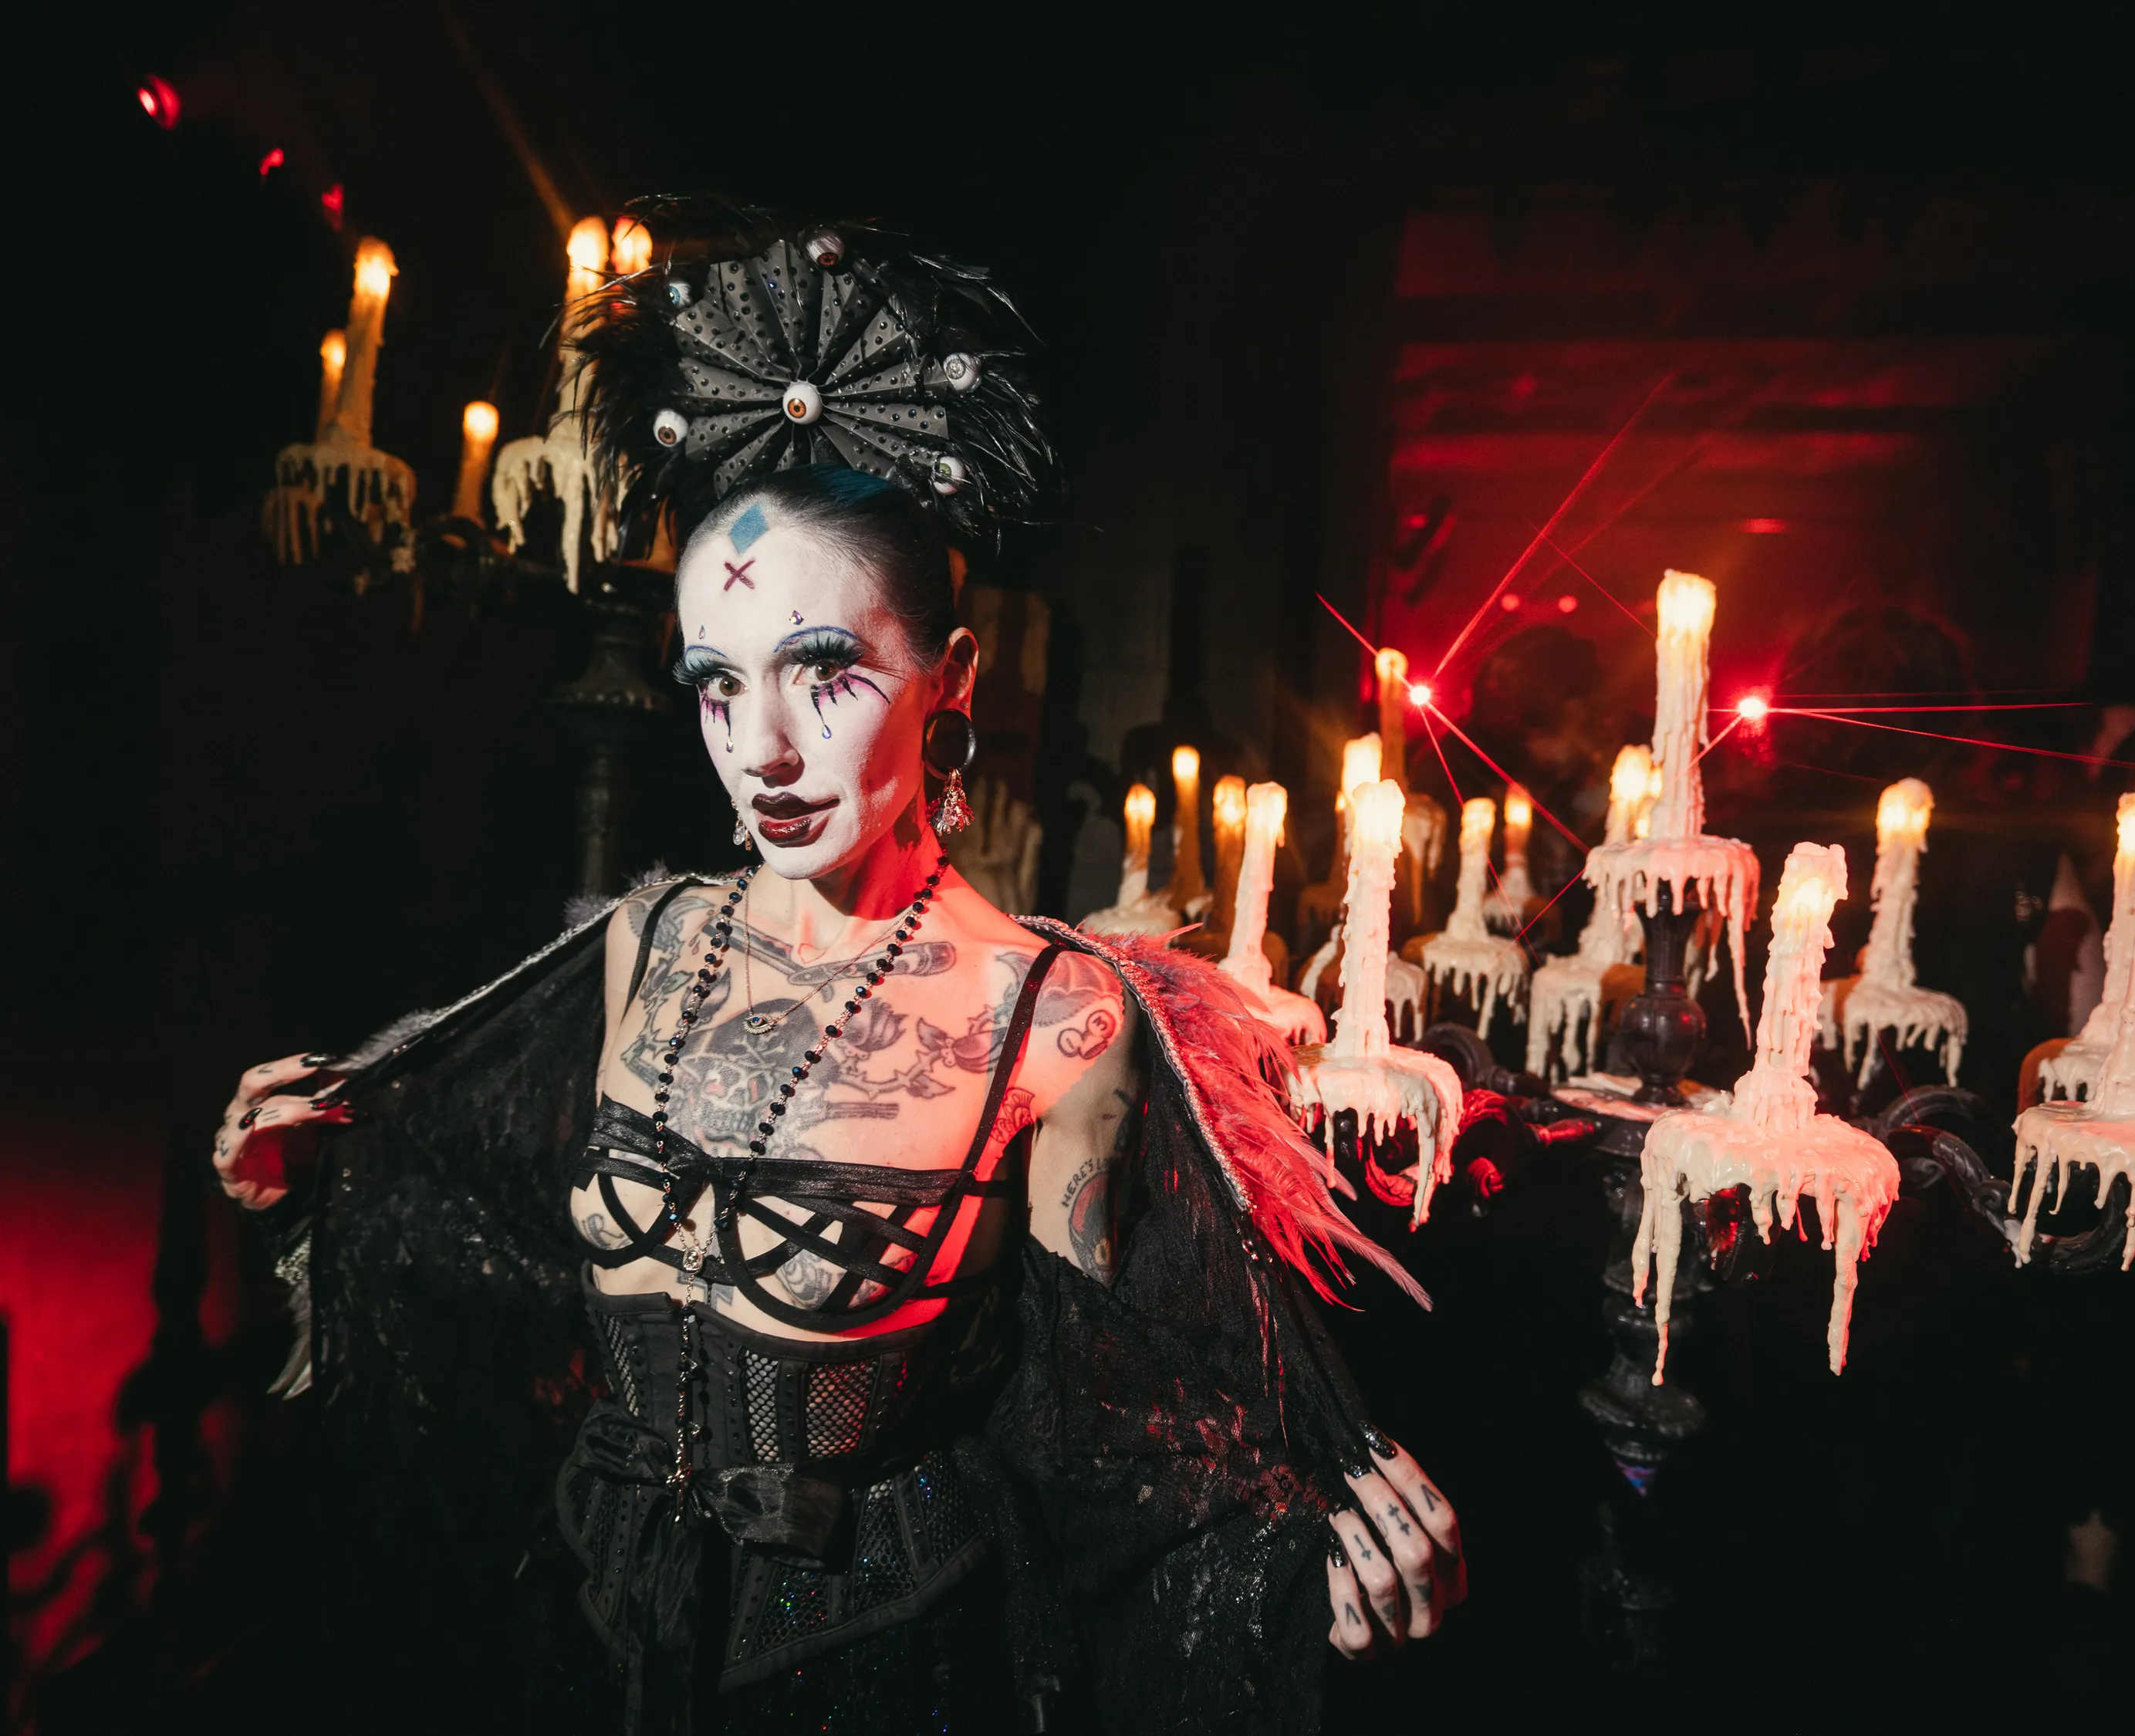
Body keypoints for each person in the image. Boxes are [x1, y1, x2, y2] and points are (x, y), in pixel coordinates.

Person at [213, 210, 1462, 1734]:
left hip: (864, 1666)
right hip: (592, 1631)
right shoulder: (642, 948)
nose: (767, 749)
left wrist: (1315, 1569)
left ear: (955, 685)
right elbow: (497, 1244)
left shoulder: (1050, 1028)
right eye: (720, 685)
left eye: (829, 670)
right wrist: (324, 1169)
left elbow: (1117, 1444)